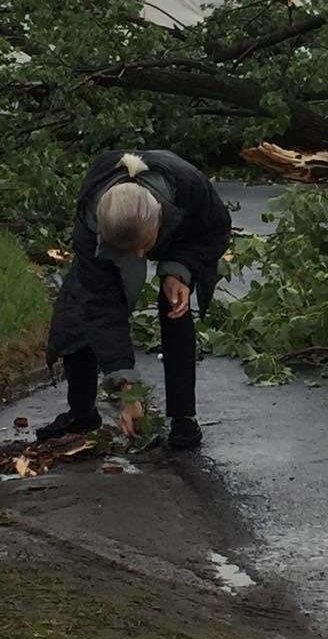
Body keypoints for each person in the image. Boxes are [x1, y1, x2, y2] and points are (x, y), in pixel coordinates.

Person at [37, 150, 232, 449]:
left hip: (183, 236)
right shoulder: (90, 226)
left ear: (159, 221)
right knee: (78, 309)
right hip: (118, 237)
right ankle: (81, 413)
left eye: (144, 248)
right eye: (132, 253)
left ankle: (184, 419)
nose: (140, 258)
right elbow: (103, 309)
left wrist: (179, 271)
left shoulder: (189, 187)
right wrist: (127, 392)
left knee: (175, 306)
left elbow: (215, 232)